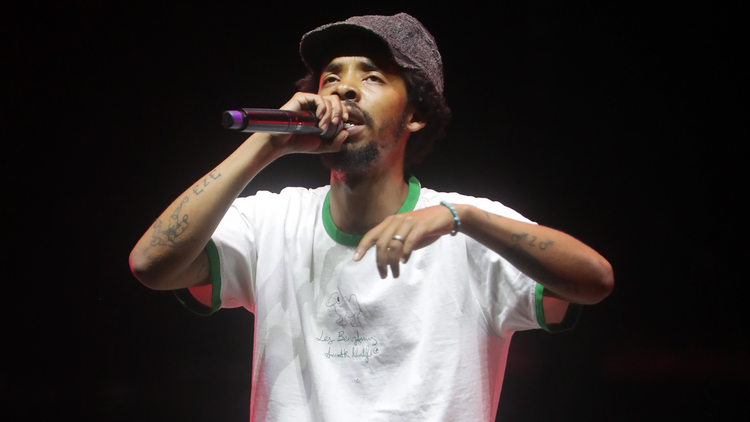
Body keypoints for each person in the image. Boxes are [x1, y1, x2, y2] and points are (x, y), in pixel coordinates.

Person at [129, 13, 614, 422]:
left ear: (416, 114)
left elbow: (594, 281)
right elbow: (151, 264)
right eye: (331, 77)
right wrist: (266, 145)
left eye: (372, 77)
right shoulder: (272, 220)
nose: (345, 89)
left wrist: (462, 217)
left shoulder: (467, 226)